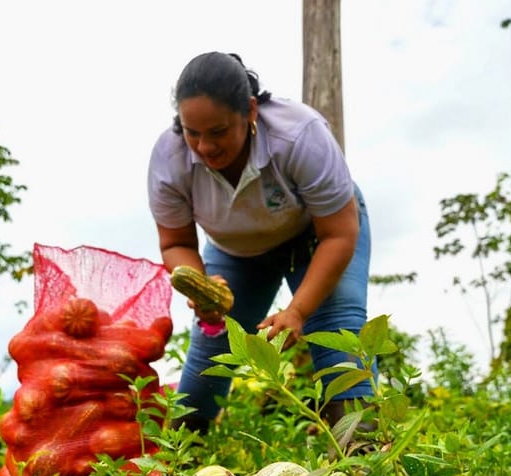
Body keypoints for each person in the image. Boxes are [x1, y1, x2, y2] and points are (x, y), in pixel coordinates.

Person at [147, 51, 375, 434]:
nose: (204, 147)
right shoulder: (169, 159)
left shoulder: (299, 135)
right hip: (237, 251)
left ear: (250, 111)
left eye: (218, 132)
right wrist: (202, 286)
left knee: (336, 329)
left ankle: (363, 454)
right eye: (192, 133)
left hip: (317, 236)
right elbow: (175, 243)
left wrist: (298, 312)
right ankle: (182, 459)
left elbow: (339, 234)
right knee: (214, 344)